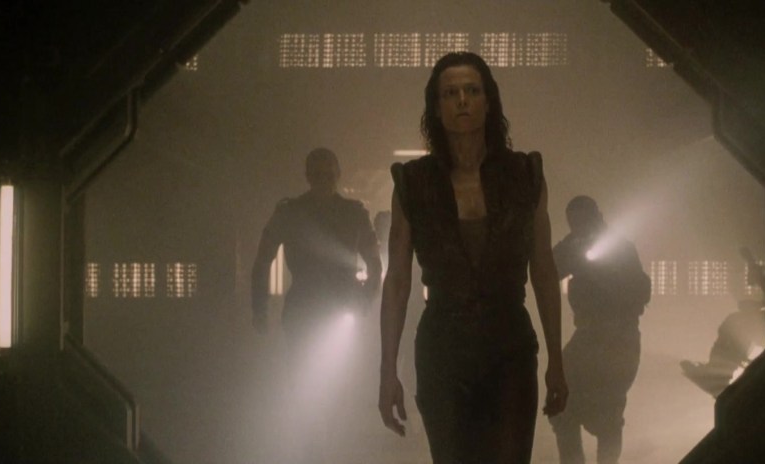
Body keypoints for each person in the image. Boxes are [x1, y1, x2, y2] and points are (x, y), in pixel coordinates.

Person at [377, 51, 568, 463]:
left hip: (510, 348)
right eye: (450, 93)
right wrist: (387, 370)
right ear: (436, 107)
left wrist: (556, 358)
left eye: (471, 90)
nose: (462, 100)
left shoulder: (525, 175)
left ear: (488, 100)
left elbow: (544, 269)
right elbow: (397, 280)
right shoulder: (413, 183)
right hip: (443, 351)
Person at [250, 147, 382, 361]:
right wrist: (259, 308)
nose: (324, 181)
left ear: (337, 175)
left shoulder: (350, 214)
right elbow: (262, 261)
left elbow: (375, 264)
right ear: (309, 177)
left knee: (337, 373)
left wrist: (365, 300)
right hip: (310, 310)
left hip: (330, 308)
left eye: (328, 175)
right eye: (318, 175)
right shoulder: (292, 212)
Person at [549, 195, 651, 464]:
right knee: (561, 404)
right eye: (575, 223)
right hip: (589, 336)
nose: (580, 227)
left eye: (583, 221)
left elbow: (639, 293)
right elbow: (549, 269)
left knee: (608, 416)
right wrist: (575, 250)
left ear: (596, 218)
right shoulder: (575, 246)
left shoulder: (621, 249)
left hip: (619, 338)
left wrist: (599, 271)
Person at [681, 247, 765, 398]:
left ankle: (719, 371)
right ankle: (717, 368)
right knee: (733, 324)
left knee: (735, 326)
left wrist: (750, 261)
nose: (749, 283)